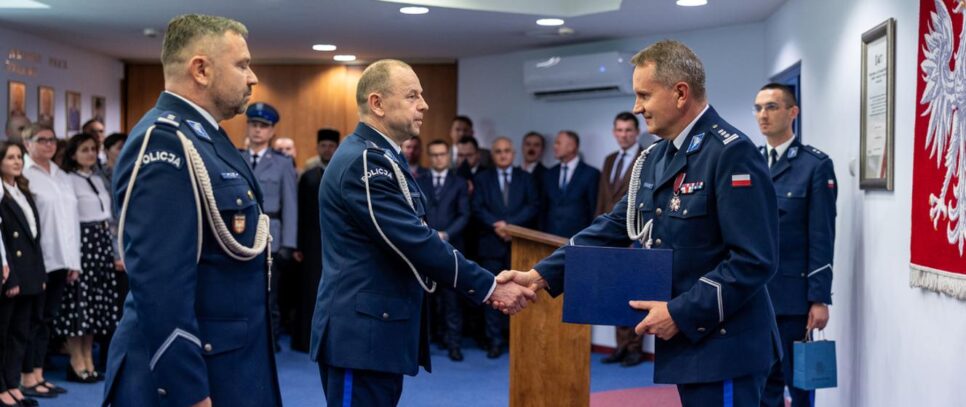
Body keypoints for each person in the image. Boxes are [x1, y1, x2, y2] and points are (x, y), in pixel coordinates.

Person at [498, 40, 781, 406]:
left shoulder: (730, 153)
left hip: (727, 346)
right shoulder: (656, 157)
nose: (637, 107)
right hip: (693, 345)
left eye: (644, 94)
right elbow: (613, 226)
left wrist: (679, 312)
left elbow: (754, 260)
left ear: (680, 93)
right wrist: (538, 276)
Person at [311, 59, 535, 406]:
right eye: (412, 95)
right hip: (360, 336)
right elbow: (414, 239)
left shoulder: (384, 156)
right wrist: (489, 286)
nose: (424, 105)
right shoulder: (366, 161)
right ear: (378, 104)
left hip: (377, 331)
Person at [103, 14, 281, 407]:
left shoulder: (205, 137)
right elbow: (160, 285)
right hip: (191, 375)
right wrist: (187, 392)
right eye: (242, 65)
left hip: (230, 361)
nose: (252, 77)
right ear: (200, 69)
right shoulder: (164, 142)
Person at [754, 83, 836, 407]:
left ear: (792, 112)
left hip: (793, 298)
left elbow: (822, 236)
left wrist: (819, 298)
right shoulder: (750, 162)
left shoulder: (815, 166)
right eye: (758, 108)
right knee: (762, 383)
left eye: (771, 107)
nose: (763, 115)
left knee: (800, 384)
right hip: (755, 295)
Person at [59, 132, 123, 384]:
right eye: (84, 149)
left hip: (102, 242)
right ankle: (76, 361)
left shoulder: (97, 179)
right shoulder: (67, 180)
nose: (89, 154)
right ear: (73, 154)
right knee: (79, 305)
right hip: (82, 243)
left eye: (92, 149)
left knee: (96, 307)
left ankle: (88, 358)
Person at [22, 123, 79, 396]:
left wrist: (74, 261)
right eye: (41, 140)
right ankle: (26, 377)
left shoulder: (61, 175)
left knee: (47, 320)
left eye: (52, 140)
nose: (48, 144)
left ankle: (39, 374)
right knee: (30, 322)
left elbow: (71, 222)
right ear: (27, 144)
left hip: (61, 259)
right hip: (36, 260)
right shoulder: (23, 174)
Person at [470, 137, 539, 359]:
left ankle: (516, 340)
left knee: (519, 295)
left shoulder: (526, 178)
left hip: (519, 245)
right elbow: (477, 208)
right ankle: (495, 342)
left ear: (514, 153)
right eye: (498, 151)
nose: (502, 154)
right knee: (493, 294)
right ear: (492, 154)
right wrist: (497, 225)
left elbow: (533, 206)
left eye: (507, 151)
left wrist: (511, 226)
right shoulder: (481, 179)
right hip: (491, 244)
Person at [240, 102, 298, 352]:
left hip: (271, 233)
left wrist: (289, 243)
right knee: (241, 290)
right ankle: (245, 338)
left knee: (270, 293)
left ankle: (270, 339)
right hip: (239, 233)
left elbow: (291, 205)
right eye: (253, 124)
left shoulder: (283, 163)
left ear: (272, 131)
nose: (257, 130)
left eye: (263, 126)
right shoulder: (236, 157)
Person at [0, 141, 50, 405]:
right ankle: (1, 388)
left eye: (19, 157)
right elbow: (4, 243)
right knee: (4, 333)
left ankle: (12, 383)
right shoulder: (0, 196)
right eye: (10, 157)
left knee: (21, 332)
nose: (17, 162)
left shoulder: (22, 191)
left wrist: (39, 274)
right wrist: (12, 278)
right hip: (11, 275)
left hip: (30, 272)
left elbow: (34, 239)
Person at [596, 112, 647, 367]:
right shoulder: (609, 160)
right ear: (614, 132)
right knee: (616, 293)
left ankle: (635, 348)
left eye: (628, 130)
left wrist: (636, 236)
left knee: (635, 294)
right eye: (619, 130)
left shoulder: (648, 158)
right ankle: (621, 346)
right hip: (611, 238)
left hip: (635, 236)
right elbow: (603, 200)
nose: (624, 134)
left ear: (637, 132)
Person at [414, 139, 471, 361]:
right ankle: (423, 345)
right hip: (425, 248)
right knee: (425, 300)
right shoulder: (420, 181)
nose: (439, 158)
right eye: (434, 155)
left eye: (442, 154)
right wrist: (427, 234)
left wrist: (445, 234)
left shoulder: (459, 183)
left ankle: (454, 345)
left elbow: (464, 214)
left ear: (449, 156)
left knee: (451, 301)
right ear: (430, 157)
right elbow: (415, 212)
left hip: (451, 248)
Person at [291, 128, 339, 353]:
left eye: (331, 146)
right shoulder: (308, 177)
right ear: (317, 148)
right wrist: (298, 245)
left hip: (338, 242)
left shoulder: (343, 173)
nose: (327, 149)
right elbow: (298, 212)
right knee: (310, 291)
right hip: (310, 243)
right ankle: (306, 339)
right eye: (324, 146)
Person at [540, 130, 599, 237]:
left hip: (579, 238)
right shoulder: (549, 174)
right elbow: (544, 208)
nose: (554, 146)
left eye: (558, 143)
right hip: (549, 237)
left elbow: (593, 208)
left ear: (571, 146)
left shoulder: (591, 174)